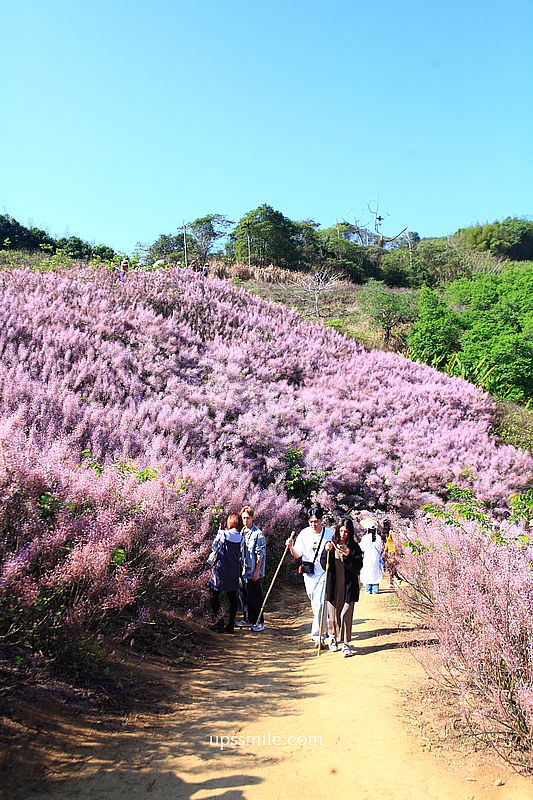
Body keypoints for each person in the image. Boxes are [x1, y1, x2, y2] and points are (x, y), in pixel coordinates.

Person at [286, 505, 333, 647]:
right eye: (311, 521)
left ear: (321, 520)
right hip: (309, 574)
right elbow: (297, 554)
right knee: (315, 604)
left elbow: (337, 551)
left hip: (324, 572)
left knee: (320, 604)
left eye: (316, 521)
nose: (314, 524)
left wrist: (331, 548)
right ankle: (322, 631)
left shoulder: (329, 533)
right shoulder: (304, 534)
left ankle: (318, 636)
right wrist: (290, 547)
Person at [320, 518, 363, 657]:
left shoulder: (354, 548)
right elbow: (323, 564)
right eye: (341, 531)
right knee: (333, 615)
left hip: (349, 586)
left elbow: (358, 567)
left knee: (346, 614)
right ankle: (332, 636)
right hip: (334, 585)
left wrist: (349, 555)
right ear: (338, 530)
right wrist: (327, 552)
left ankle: (346, 644)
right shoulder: (331, 545)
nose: (343, 534)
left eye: (346, 531)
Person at [207, 512, 243, 633]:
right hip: (234, 570)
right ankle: (230, 625)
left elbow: (214, 547)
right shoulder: (241, 537)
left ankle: (219, 622)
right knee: (232, 597)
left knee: (213, 595)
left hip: (221, 569)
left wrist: (219, 532)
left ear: (230, 522)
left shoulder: (223, 534)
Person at [235, 505, 267, 632]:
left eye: (247, 518)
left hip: (253, 571)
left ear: (253, 518)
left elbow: (260, 555)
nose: (245, 521)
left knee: (255, 598)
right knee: (244, 596)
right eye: (243, 518)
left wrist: (257, 572)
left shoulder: (258, 534)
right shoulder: (242, 531)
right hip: (243, 570)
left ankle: (259, 622)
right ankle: (247, 619)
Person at [359, 523, 384, 594]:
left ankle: (368, 589)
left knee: (367, 572)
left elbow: (362, 548)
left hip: (367, 558)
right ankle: (375, 589)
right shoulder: (378, 537)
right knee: (375, 572)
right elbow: (380, 548)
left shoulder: (365, 538)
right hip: (375, 557)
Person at [382, 518, 401, 588]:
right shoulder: (387, 533)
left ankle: (391, 582)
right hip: (390, 552)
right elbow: (387, 542)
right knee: (391, 567)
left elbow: (395, 542)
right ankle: (398, 579)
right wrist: (384, 551)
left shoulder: (392, 532)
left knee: (390, 567)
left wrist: (396, 552)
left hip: (393, 552)